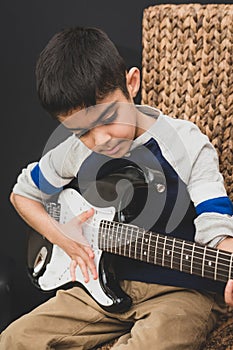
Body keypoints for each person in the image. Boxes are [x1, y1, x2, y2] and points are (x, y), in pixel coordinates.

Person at [1, 26, 233, 350]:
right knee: (14, 339)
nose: (100, 140)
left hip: (181, 292)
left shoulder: (186, 142)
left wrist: (229, 258)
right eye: (82, 132)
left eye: (108, 118)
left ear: (132, 84)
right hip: (99, 288)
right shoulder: (74, 152)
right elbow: (21, 194)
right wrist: (60, 236)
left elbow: (215, 218)